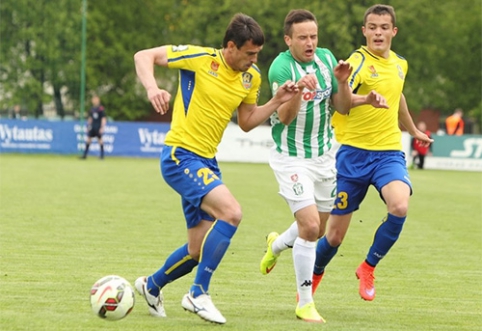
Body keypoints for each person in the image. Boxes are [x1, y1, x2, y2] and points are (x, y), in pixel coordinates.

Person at [132, 13, 299, 325]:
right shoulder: (199, 58)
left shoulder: (251, 78)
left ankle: (151, 285)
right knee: (232, 213)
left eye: (257, 54)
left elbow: (247, 122)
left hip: (207, 161)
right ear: (231, 47)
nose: (253, 60)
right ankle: (198, 293)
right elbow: (144, 56)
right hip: (180, 155)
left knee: (197, 250)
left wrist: (277, 100)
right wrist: (152, 88)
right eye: (249, 53)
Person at [258, 9, 388, 323]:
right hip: (291, 156)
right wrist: (299, 91)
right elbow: (285, 117)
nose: (309, 42)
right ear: (288, 39)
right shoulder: (282, 67)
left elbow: (340, 106)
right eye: (302, 37)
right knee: (310, 226)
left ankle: (275, 245)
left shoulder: (327, 59)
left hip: (325, 156)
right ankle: (305, 302)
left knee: (316, 229)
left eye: (313, 36)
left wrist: (351, 89)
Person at [313, 4, 433, 302]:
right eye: (372, 27)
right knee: (334, 236)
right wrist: (355, 92)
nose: (378, 32)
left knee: (400, 206)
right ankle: (313, 274)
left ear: (393, 31)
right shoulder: (357, 62)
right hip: (352, 154)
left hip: (388, 153)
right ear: (364, 31)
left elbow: (398, 95)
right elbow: (341, 105)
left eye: (383, 27)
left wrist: (413, 130)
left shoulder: (400, 64)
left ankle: (367, 267)